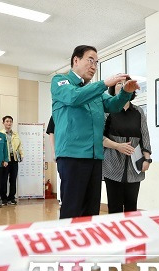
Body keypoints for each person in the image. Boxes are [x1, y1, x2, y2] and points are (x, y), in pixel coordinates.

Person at [51, 45, 140, 219]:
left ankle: (87, 245)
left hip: (95, 156)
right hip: (72, 155)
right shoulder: (60, 81)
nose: (94, 66)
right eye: (90, 60)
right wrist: (104, 83)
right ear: (76, 60)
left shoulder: (95, 91)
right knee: (72, 208)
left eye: (96, 62)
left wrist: (125, 93)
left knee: (92, 209)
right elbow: (74, 97)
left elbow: (113, 105)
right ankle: (68, 245)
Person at [103, 77, 152, 213]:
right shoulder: (108, 110)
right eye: (119, 83)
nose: (123, 85)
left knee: (132, 207)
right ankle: (115, 234)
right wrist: (117, 146)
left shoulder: (138, 111)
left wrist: (147, 159)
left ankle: (131, 234)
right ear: (113, 88)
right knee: (114, 207)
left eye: (126, 83)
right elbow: (99, 136)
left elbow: (145, 136)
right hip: (112, 164)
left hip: (134, 166)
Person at [0, 115, 23, 205]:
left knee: (13, 179)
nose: (9, 123)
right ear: (3, 123)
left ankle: (12, 197)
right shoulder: (0, 133)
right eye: (7, 121)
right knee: (3, 179)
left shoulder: (15, 134)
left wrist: (22, 154)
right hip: (5, 159)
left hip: (14, 159)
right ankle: (3, 198)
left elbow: (19, 146)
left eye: (10, 121)